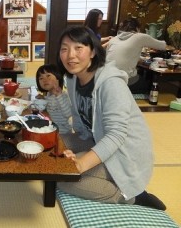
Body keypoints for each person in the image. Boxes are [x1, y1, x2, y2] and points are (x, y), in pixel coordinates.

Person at [56, 25, 166, 210]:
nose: (70, 55)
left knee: (59, 179)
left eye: (78, 48)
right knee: (51, 146)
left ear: (92, 52)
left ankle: (131, 195)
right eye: (64, 49)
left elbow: (116, 135)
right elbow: (79, 120)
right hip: (94, 138)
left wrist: (82, 163)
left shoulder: (111, 83)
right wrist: (70, 149)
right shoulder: (72, 79)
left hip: (123, 151)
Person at [106, 18, 168, 94]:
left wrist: (140, 58)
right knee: (151, 86)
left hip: (107, 79)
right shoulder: (139, 37)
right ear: (137, 28)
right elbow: (162, 45)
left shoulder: (113, 39)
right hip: (125, 80)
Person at [35, 64, 72, 133]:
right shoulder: (49, 94)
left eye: (48, 76)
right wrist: (44, 98)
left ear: (58, 77)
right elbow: (51, 101)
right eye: (41, 78)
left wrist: (59, 96)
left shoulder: (63, 95)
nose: (45, 80)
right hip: (52, 128)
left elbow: (68, 114)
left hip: (63, 133)